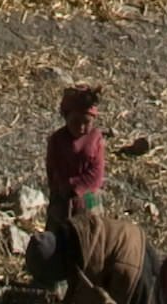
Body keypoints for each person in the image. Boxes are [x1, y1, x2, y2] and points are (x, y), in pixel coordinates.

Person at [42, 88, 110, 272]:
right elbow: (52, 169)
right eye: (75, 122)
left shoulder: (96, 140)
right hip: (61, 199)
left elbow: (96, 174)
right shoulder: (57, 140)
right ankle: (52, 274)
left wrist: (74, 186)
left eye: (86, 123)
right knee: (57, 238)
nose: (80, 128)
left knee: (89, 239)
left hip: (88, 199)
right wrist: (60, 188)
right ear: (66, 117)